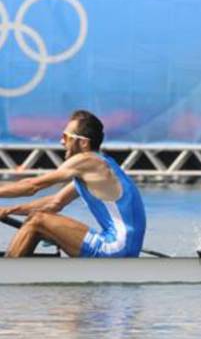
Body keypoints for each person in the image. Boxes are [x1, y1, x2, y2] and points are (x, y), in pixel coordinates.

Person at [0, 110, 147, 258]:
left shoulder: (87, 161)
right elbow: (54, 203)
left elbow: (32, 186)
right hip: (123, 248)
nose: (62, 142)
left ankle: (7, 270)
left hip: (115, 248)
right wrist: (8, 210)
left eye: (66, 137)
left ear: (83, 142)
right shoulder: (96, 169)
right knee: (40, 221)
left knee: (38, 219)